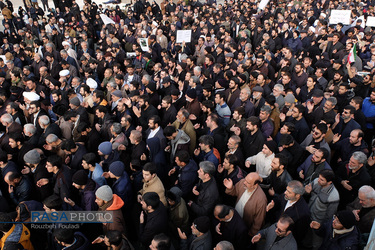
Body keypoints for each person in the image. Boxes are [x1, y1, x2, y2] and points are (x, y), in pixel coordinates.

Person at [224, 172, 267, 236]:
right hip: (234, 217)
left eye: (248, 183)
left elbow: (259, 221)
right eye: (245, 180)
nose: (244, 183)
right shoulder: (242, 182)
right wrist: (230, 188)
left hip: (244, 225)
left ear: (255, 185)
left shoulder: (261, 199)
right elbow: (234, 192)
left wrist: (252, 234)